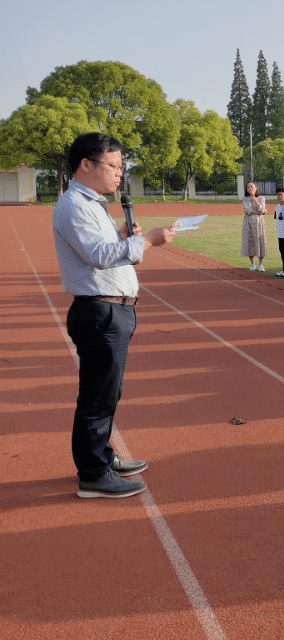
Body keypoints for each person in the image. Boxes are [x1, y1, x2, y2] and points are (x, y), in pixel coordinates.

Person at [52, 132, 175, 498]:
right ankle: (92, 473)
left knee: (107, 391)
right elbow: (100, 256)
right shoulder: (75, 204)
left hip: (111, 308)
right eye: (114, 166)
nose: (119, 174)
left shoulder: (92, 203)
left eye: (121, 167)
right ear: (86, 164)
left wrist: (124, 236)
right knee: (98, 395)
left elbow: (104, 249)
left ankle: (100, 456)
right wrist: (147, 240)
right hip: (100, 310)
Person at [241, 181, 267, 271]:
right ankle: (252, 263)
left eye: (252, 187)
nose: (250, 189)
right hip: (248, 222)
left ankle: (261, 264)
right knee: (250, 241)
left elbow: (261, 208)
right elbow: (247, 210)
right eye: (248, 187)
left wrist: (254, 199)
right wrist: (259, 212)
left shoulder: (261, 198)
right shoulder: (245, 199)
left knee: (261, 241)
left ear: (256, 188)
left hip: (259, 222)